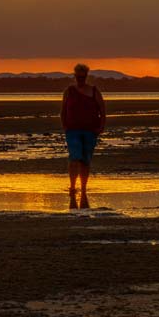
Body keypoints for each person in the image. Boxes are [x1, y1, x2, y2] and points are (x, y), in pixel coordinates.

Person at [61, 63, 106, 209]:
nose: (80, 79)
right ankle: (73, 187)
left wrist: (101, 126)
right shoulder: (69, 91)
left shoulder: (94, 91)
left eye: (83, 77)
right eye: (78, 77)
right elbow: (63, 110)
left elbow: (102, 110)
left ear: (86, 76)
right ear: (74, 77)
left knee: (85, 160)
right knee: (74, 157)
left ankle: (84, 188)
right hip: (72, 130)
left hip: (90, 130)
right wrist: (65, 126)